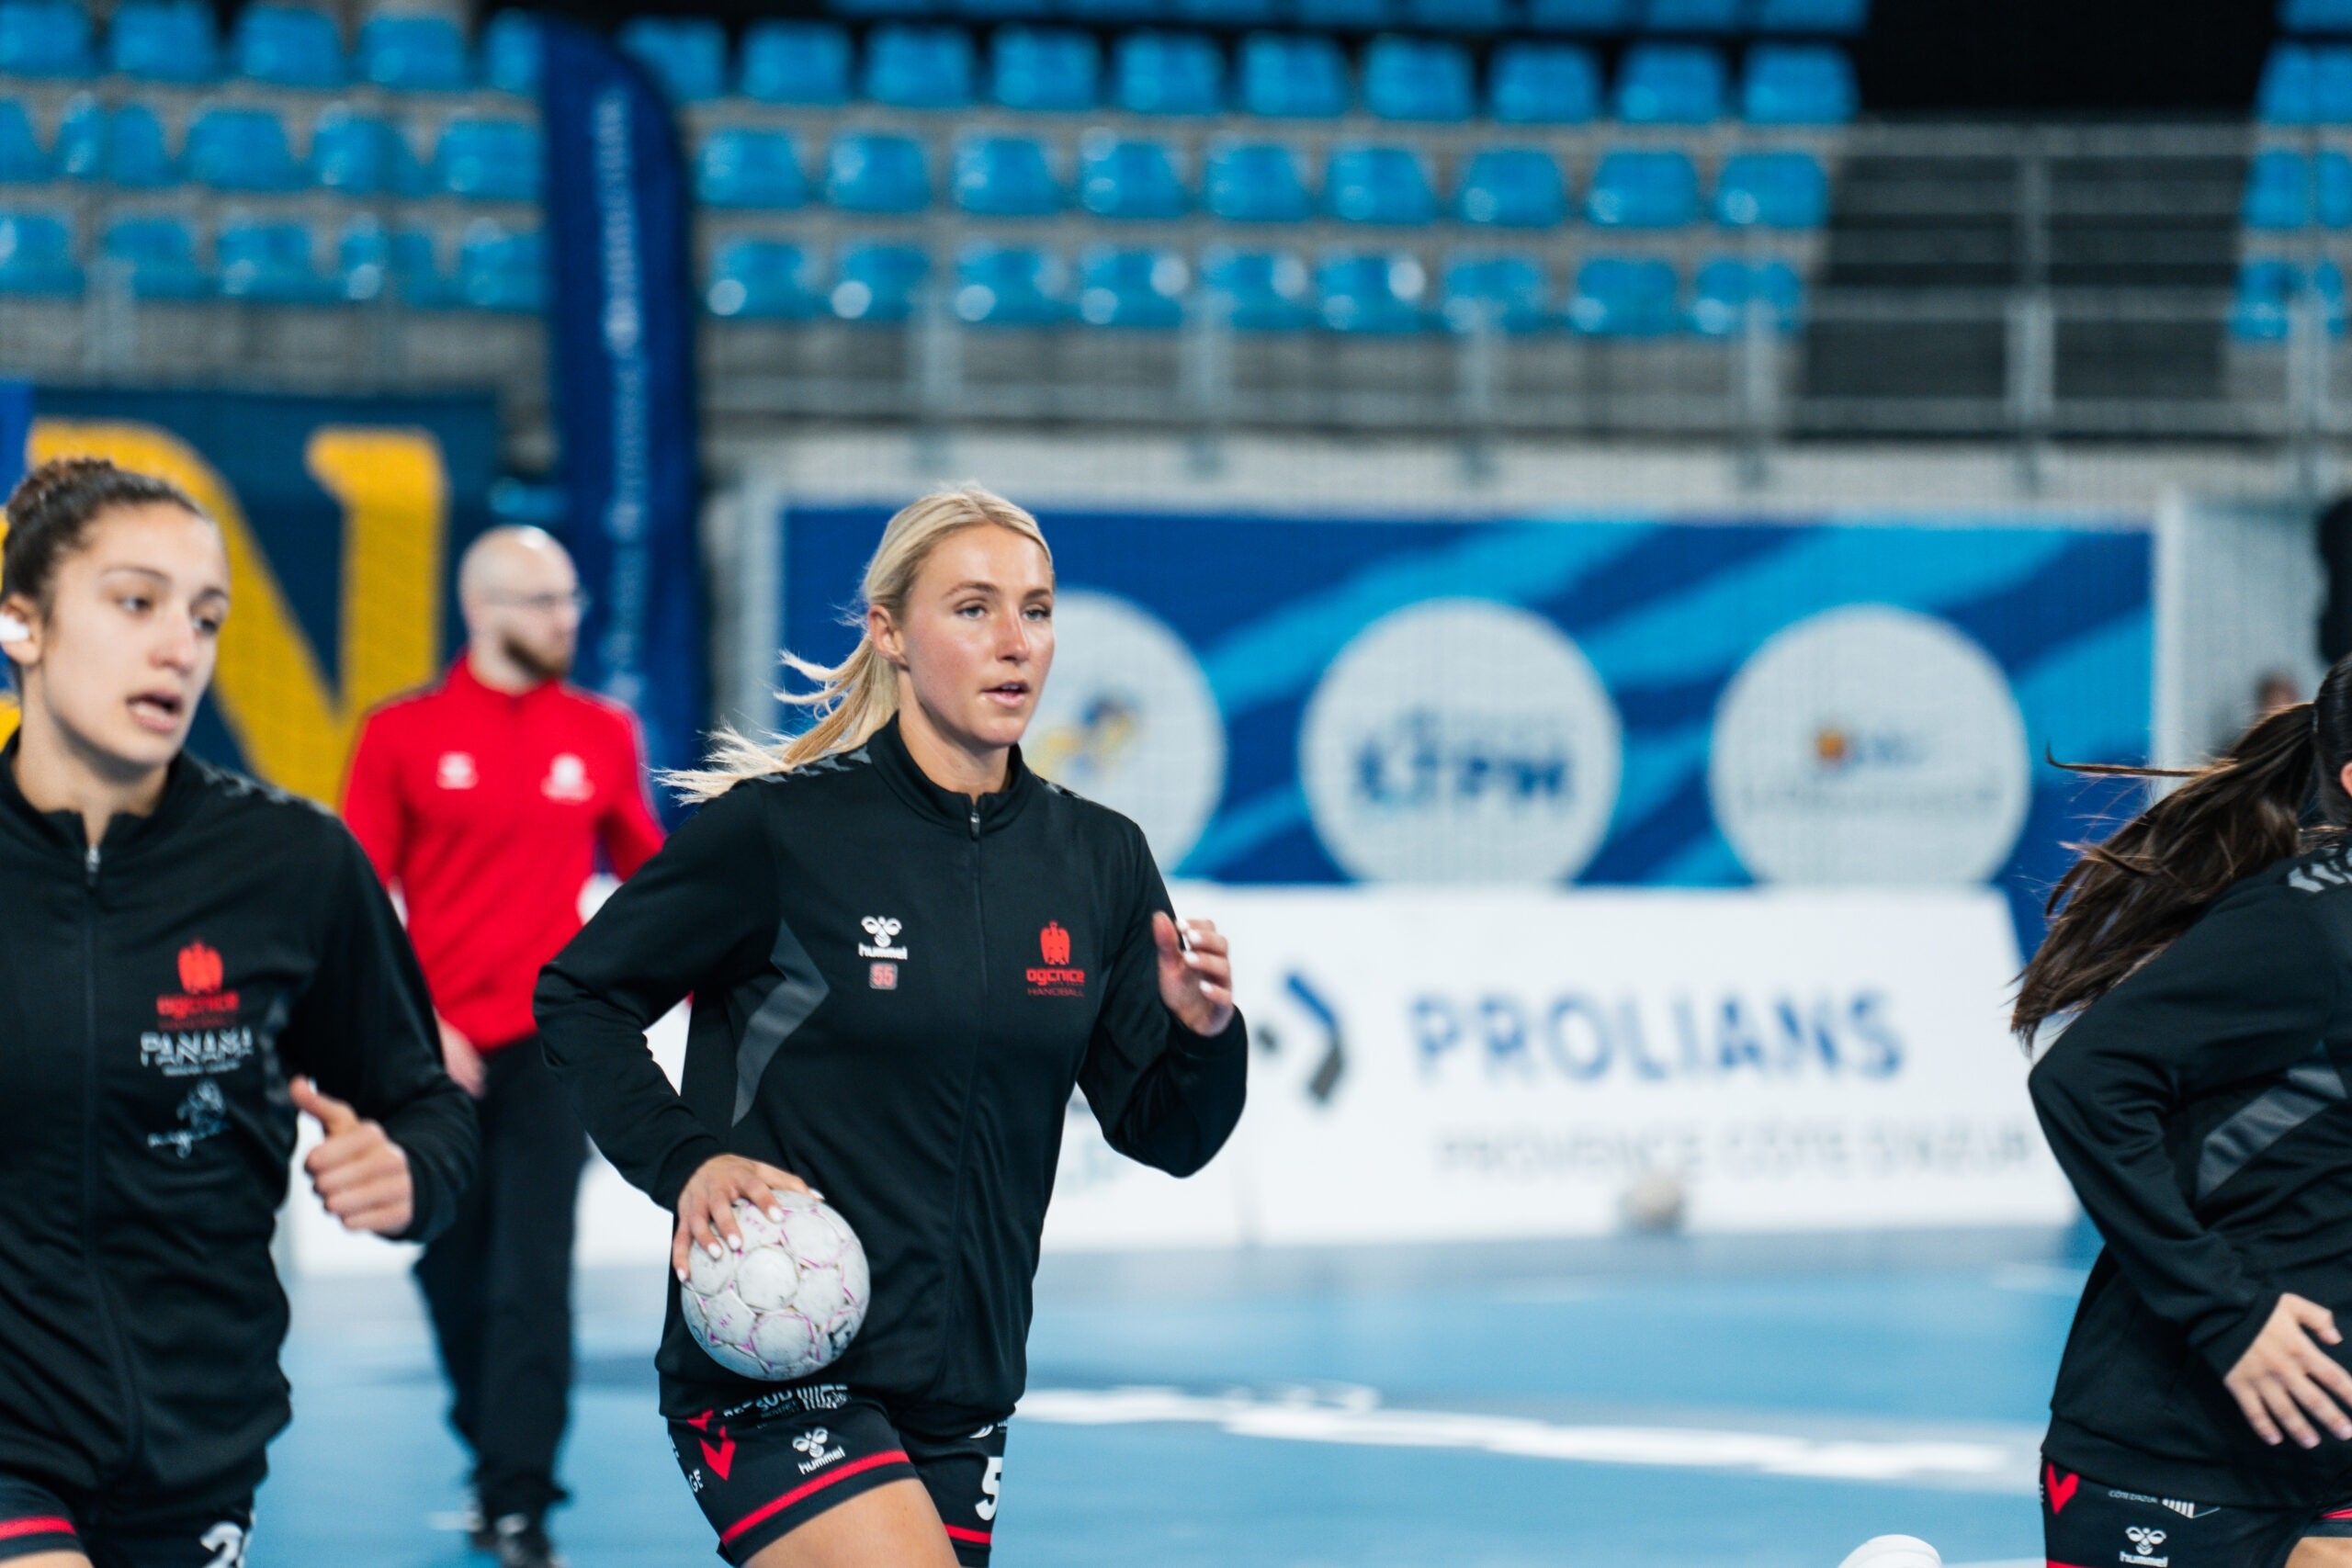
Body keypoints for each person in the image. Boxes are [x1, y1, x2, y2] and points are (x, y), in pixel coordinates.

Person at [535, 486, 1247, 1568]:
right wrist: (685, 1161)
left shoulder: (1098, 860)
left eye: (1036, 610)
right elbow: (580, 997)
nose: (1014, 641)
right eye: (972, 608)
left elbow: (1169, 1137)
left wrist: (1202, 1035)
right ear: (890, 633)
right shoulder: (782, 832)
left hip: (963, 1388)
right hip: (772, 1368)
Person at [0, 456, 476, 1568]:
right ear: (22, 623)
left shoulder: (293, 865)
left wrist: (410, 1173)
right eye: (136, 603)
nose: (181, 646)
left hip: (197, 1454)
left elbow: (426, 1106)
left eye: (206, 617)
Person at [341, 525, 663, 1568]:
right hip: (427, 1050)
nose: (566, 619)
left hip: (546, 1047)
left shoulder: (602, 732)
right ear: (480, 609)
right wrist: (417, 1023)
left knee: (532, 1273)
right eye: (542, 601)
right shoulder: (400, 734)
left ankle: (521, 1499)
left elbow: (653, 879)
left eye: (571, 599)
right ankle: (496, 1458)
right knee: (451, 1267)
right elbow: (355, 902)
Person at [2020, 652, 2352, 1568]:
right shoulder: (2308, 924)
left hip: (2327, 1437)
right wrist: (2224, 1310)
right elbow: (2083, 1082)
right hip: (2178, 1439)